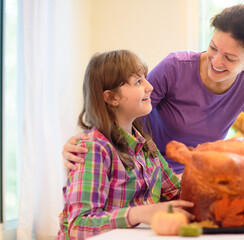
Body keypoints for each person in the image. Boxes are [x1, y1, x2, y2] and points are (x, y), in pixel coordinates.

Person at [62, 4, 244, 175]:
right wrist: (87, 140)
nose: (215, 61)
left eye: (229, 58)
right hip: (145, 171)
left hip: (191, 180)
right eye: (213, 47)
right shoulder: (176, 67)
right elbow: (125, 109)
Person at [56, 50, 194, 240]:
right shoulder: (93, 148)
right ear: (112, 98)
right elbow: (78, 226)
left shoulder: (147, 148)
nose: (150, 87)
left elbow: (179, 194)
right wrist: (138, 214)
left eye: (145, 78)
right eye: (138, 81)